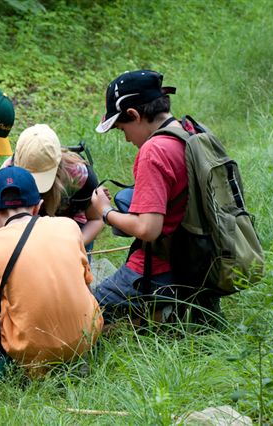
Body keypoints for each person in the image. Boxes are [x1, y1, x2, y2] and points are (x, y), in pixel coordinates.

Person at [90, 69, 219, 322]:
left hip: (161, 268)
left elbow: (148, 229)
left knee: (84, 312)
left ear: (134, 115)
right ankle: (178, 306)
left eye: (121, 128)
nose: (126, 138)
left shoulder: (154, 151)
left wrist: (105, 211)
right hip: (200, 261)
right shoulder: (191, 132)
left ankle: (167, 308)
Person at [0, 166, 103, 375]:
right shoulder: (68, 227)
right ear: (38, 206)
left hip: (29, 354)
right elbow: (86, 282)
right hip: (87, 337)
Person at [0, 124, 104, 249]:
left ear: (58, 162)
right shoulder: (7, 176)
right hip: (23, 233)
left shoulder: (78, 175)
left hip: (71, 233)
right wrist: (13, 218)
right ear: (16, 163)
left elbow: (96, 220)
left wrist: (75, 244)